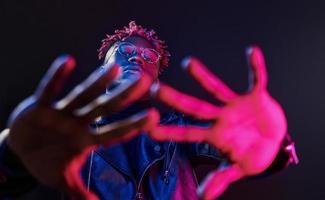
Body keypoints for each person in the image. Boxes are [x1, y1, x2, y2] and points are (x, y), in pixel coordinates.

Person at [0, 21, 298, 200]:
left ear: (156, 76)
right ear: (104, 66)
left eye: (148, 56)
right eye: (126, 53)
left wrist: (273, 146)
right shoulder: (67, 137)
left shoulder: (180, 132)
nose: (138, 58)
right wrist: (10, 153)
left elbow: (243, 150)